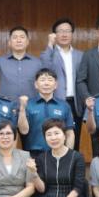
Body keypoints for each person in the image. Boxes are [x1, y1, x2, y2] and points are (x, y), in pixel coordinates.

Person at [40, 18, 85, 150]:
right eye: (60, 31)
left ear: (72, 34)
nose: (64, 34)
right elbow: (44, 67)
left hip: (75, 103)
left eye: (67, 31)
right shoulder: (50, 54)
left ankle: (71, 162)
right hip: (56, 101)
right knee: (54, 135)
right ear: (54, 34)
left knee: (74, 136)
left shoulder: (80, 55)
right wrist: (50, 44)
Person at [17, 68, 75, 157]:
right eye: (42, 80)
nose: (46, 83)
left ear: (56, 85)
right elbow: (23, 131)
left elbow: (69, 133)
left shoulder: (64, 105)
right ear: (36, 84)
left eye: (50, 80)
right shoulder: (28, 104)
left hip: (59, 153)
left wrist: (68, 155)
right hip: (34, 153)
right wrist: (22, 109)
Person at [0, 26, 43, 102]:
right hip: (5, 105)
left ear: (27, 42)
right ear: (9, 42)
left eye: (22, 37)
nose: (18, 40)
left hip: (31, 106)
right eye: (15, 37)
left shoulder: (38, 63)